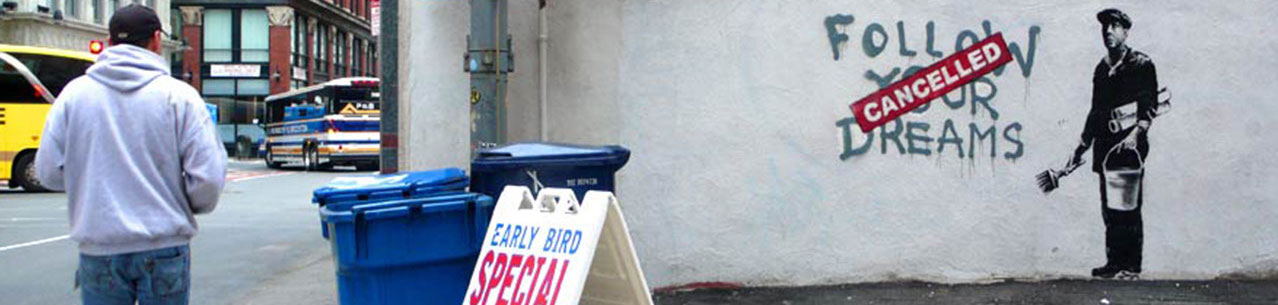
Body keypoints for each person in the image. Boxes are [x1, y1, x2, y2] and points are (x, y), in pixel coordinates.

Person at [34, 4, 226, 304]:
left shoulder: (74, 95)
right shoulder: (180, 97)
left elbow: (47, 171)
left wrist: (90, 187)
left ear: (110, 43)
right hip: (164, 244)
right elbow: (209, 178)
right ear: (156, 40)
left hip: (100, 247)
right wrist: (182, 203)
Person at [1067, 8, 1159, 279]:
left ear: (1126, 31)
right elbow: (1096, 110)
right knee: (1110, 207)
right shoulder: (1101, 68)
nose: (1108, 31)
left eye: (1114, 26)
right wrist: (1082, 145)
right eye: (1105, 26)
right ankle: (1114, 262)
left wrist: (1136, 134)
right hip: (1105, 146)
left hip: (1129, 146)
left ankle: (1132, 266)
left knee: (1128, 206)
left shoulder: (1142, 64)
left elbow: (1149, 104)